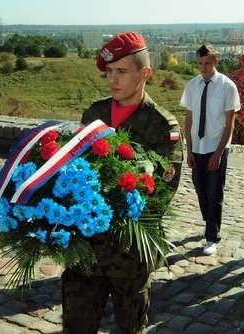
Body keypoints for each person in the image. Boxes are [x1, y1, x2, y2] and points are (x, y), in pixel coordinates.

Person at [62, 32, 183, 334]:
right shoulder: (95, 113)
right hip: (86, 250)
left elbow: (161, 192)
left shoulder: (161, 125)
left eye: (122, 71)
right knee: (76, 326)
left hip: (128, 254)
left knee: (130, 327)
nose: (113, 80)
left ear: (145, 74)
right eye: (109, 72)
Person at [179, 44, 240, 256]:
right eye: (200, 63)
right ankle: (209, 223)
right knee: (200, 188)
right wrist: (189, 149)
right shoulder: (192, 85)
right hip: (197, 147)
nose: (203, 68)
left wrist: (219, 153)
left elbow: (230, 124)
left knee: (214, 192)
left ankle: (212, 236)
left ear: (216, 61)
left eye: (207, 63)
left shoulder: (227, 86)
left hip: (217, 147)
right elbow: (188, 120)